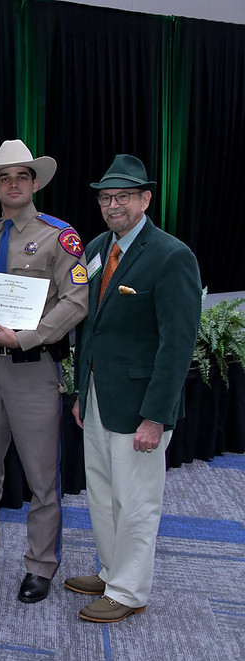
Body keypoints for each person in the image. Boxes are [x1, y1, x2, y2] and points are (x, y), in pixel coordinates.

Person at [0, 140, 88, 603]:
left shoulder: (59, 236)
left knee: (41, 476)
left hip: (32, 369)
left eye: (21, 177)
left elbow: (76, 301)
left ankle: (41, 564)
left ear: (34, 183)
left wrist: (29, 337)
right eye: (4, 178)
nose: (12, 184)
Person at [65, 154, 201, 623]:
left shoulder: (172, 255)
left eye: (124, 196)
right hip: (100, 396)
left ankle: (129, 591)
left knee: (137, 500)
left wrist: (156, 415)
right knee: (101, 493)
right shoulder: (99, 246)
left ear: (146, 199)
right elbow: (90, 329)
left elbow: (177, 345)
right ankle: (110, 571)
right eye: (106, 197)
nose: (113, 204)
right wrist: (82, 391)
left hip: (141, 406)